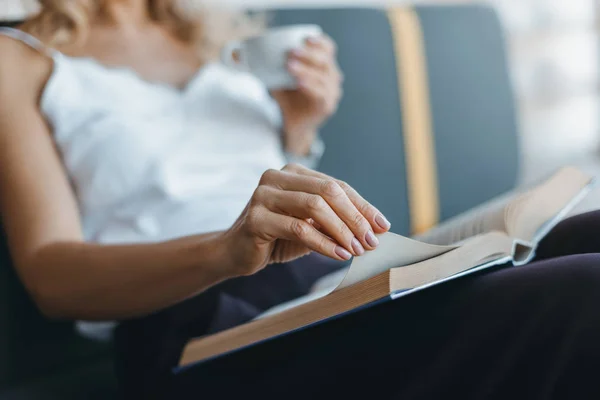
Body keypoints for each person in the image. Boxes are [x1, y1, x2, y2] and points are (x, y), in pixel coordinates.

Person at [0, 1, 600, 399]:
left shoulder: (219, 40)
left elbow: (231, 177)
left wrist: (298, 127)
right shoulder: (19, 59)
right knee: (583, 288)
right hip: (196, 326)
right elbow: (53, 275)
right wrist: (226, 250)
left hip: (318, 282)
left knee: (588, 233)